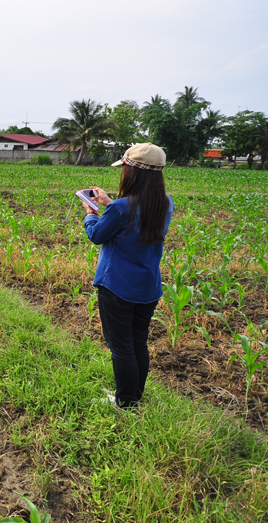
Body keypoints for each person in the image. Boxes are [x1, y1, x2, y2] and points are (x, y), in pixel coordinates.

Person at [83, 143, 173, 412]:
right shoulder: (166, 204)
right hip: (147, 287)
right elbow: (134, 220)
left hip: (117, 287)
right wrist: (110, 204)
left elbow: (97, 235)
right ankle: (134, 396)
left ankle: (125, 403)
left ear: (132, 172)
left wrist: (91, 214)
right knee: (137, 342)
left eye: (124, 168)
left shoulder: (121, 209)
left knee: (120, 347)